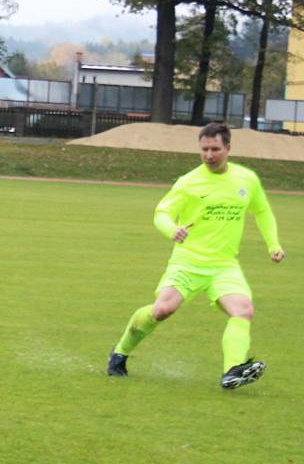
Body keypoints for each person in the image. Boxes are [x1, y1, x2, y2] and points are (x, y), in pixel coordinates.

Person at [107, 122, 285, 389]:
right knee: (162, 310)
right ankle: (120, 352)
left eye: (215, 149)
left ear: (228, 148)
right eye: (204, 149)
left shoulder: (246, 179)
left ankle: (232, 370)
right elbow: (162, 212)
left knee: (243, 310)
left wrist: (273, 244)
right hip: (188, 261)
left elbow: (262, 211)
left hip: (224, 265)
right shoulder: (189, 182)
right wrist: (171, 230)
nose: (209, 155)